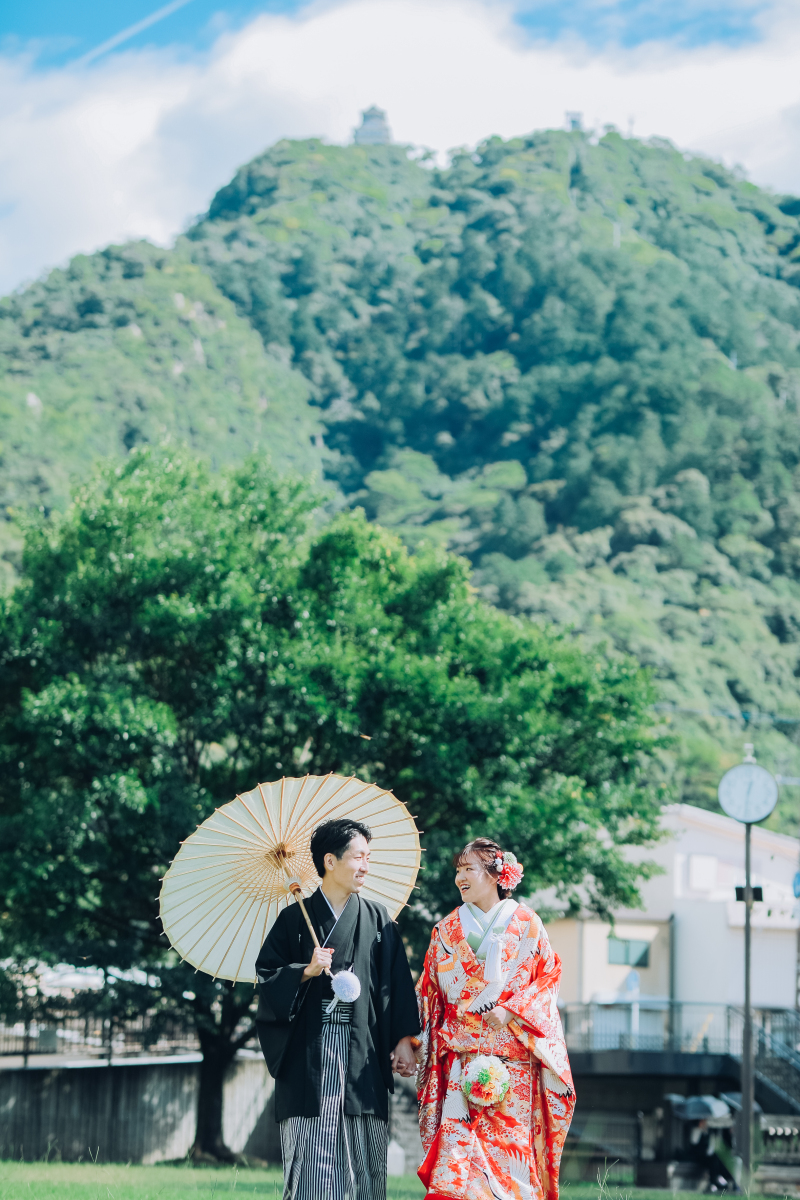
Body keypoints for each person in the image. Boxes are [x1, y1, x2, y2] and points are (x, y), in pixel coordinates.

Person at [255, 817, 420, 1200]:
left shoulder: (378, 918)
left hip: (363, 1049)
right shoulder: (294, 919)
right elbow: (267, 977)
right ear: (330, 861)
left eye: (368, 857)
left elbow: (394, 985)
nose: (365, 865)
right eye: (358, 857)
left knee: (363, 1155)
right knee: (312, 1156)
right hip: (310, 1053)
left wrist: (402, 1040)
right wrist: (305, 970)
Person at [415, 837, 575, 1200]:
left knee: (512, 1162)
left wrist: (511, 1010)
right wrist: (414, 1044)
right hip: (461, 1062)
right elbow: (430, 994)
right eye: (458, 870)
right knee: (457, 1162)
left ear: (495, 875)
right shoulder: (444, 930)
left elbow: (548, 979)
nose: (460, 877)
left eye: (468, 869)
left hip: (514, 1066)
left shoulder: (528, 924)